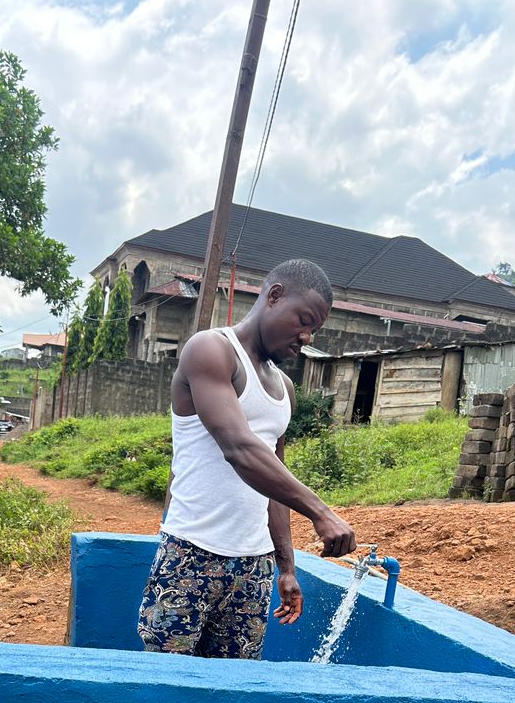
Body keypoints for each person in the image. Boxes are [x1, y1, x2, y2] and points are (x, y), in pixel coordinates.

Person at [138, 258, 357, 659]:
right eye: (303, 320)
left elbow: (273, 482)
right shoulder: (211, 350)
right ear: (274, 296)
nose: (307, 336)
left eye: (315, 329)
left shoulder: (285, 388)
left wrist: (286, 567)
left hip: (253, 568)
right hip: (192, 554)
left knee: (235, 694)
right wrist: (320, 512)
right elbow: (239, 448)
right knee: (166, 685)